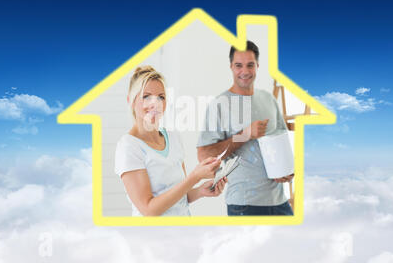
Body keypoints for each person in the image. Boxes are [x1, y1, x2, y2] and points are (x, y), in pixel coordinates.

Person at [196, 41, 294, 216]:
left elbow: (281, 140)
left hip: (279, 201)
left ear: (257, 66)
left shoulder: (268, 98)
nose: (245, 71)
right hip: (244, 205)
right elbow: (204, 156)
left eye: (250, 65)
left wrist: (286, 171)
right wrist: (245, 135)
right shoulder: (220, 105)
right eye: (238, 65)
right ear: (231, 67)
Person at [114, 66, 227, 216]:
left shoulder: (173, 138)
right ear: (131, 101)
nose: (155, 103)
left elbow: (181, 194)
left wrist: (200, 191)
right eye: (146, 96)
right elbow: (149, 209)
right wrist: (195, 177)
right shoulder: (129, 147)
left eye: (161, 97)